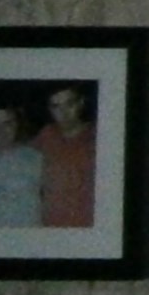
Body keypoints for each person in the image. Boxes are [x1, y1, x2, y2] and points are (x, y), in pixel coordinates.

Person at [35, 85, 97, 228]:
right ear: (49, 110)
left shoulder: (97, 136)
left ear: (81, 103)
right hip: (50, 226)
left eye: (69, 104)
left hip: (86, 225)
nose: (64, 112)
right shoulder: (46, 135)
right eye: (56, 106)